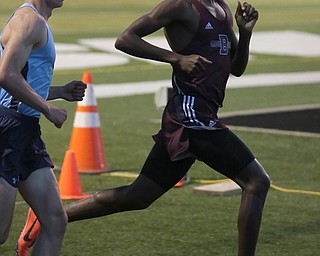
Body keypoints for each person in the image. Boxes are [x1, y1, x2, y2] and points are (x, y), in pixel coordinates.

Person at [18, 0, 270, 255]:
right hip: (190, 117)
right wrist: (175, 58)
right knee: (256, 181)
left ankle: (50, 217)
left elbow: (236, 68)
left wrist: (245, 31)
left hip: (200, 116)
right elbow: (125, 39)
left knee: (138, 196)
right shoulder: (181, 6)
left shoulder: (223, 8)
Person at [0, 1, 87, 256]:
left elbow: (20, 84)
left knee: (55, 221)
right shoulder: (30, 21)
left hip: (25, 132)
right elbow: (7, 75)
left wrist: (59, 92)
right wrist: (48, 109)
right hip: (7, 131)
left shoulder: (39, 22)